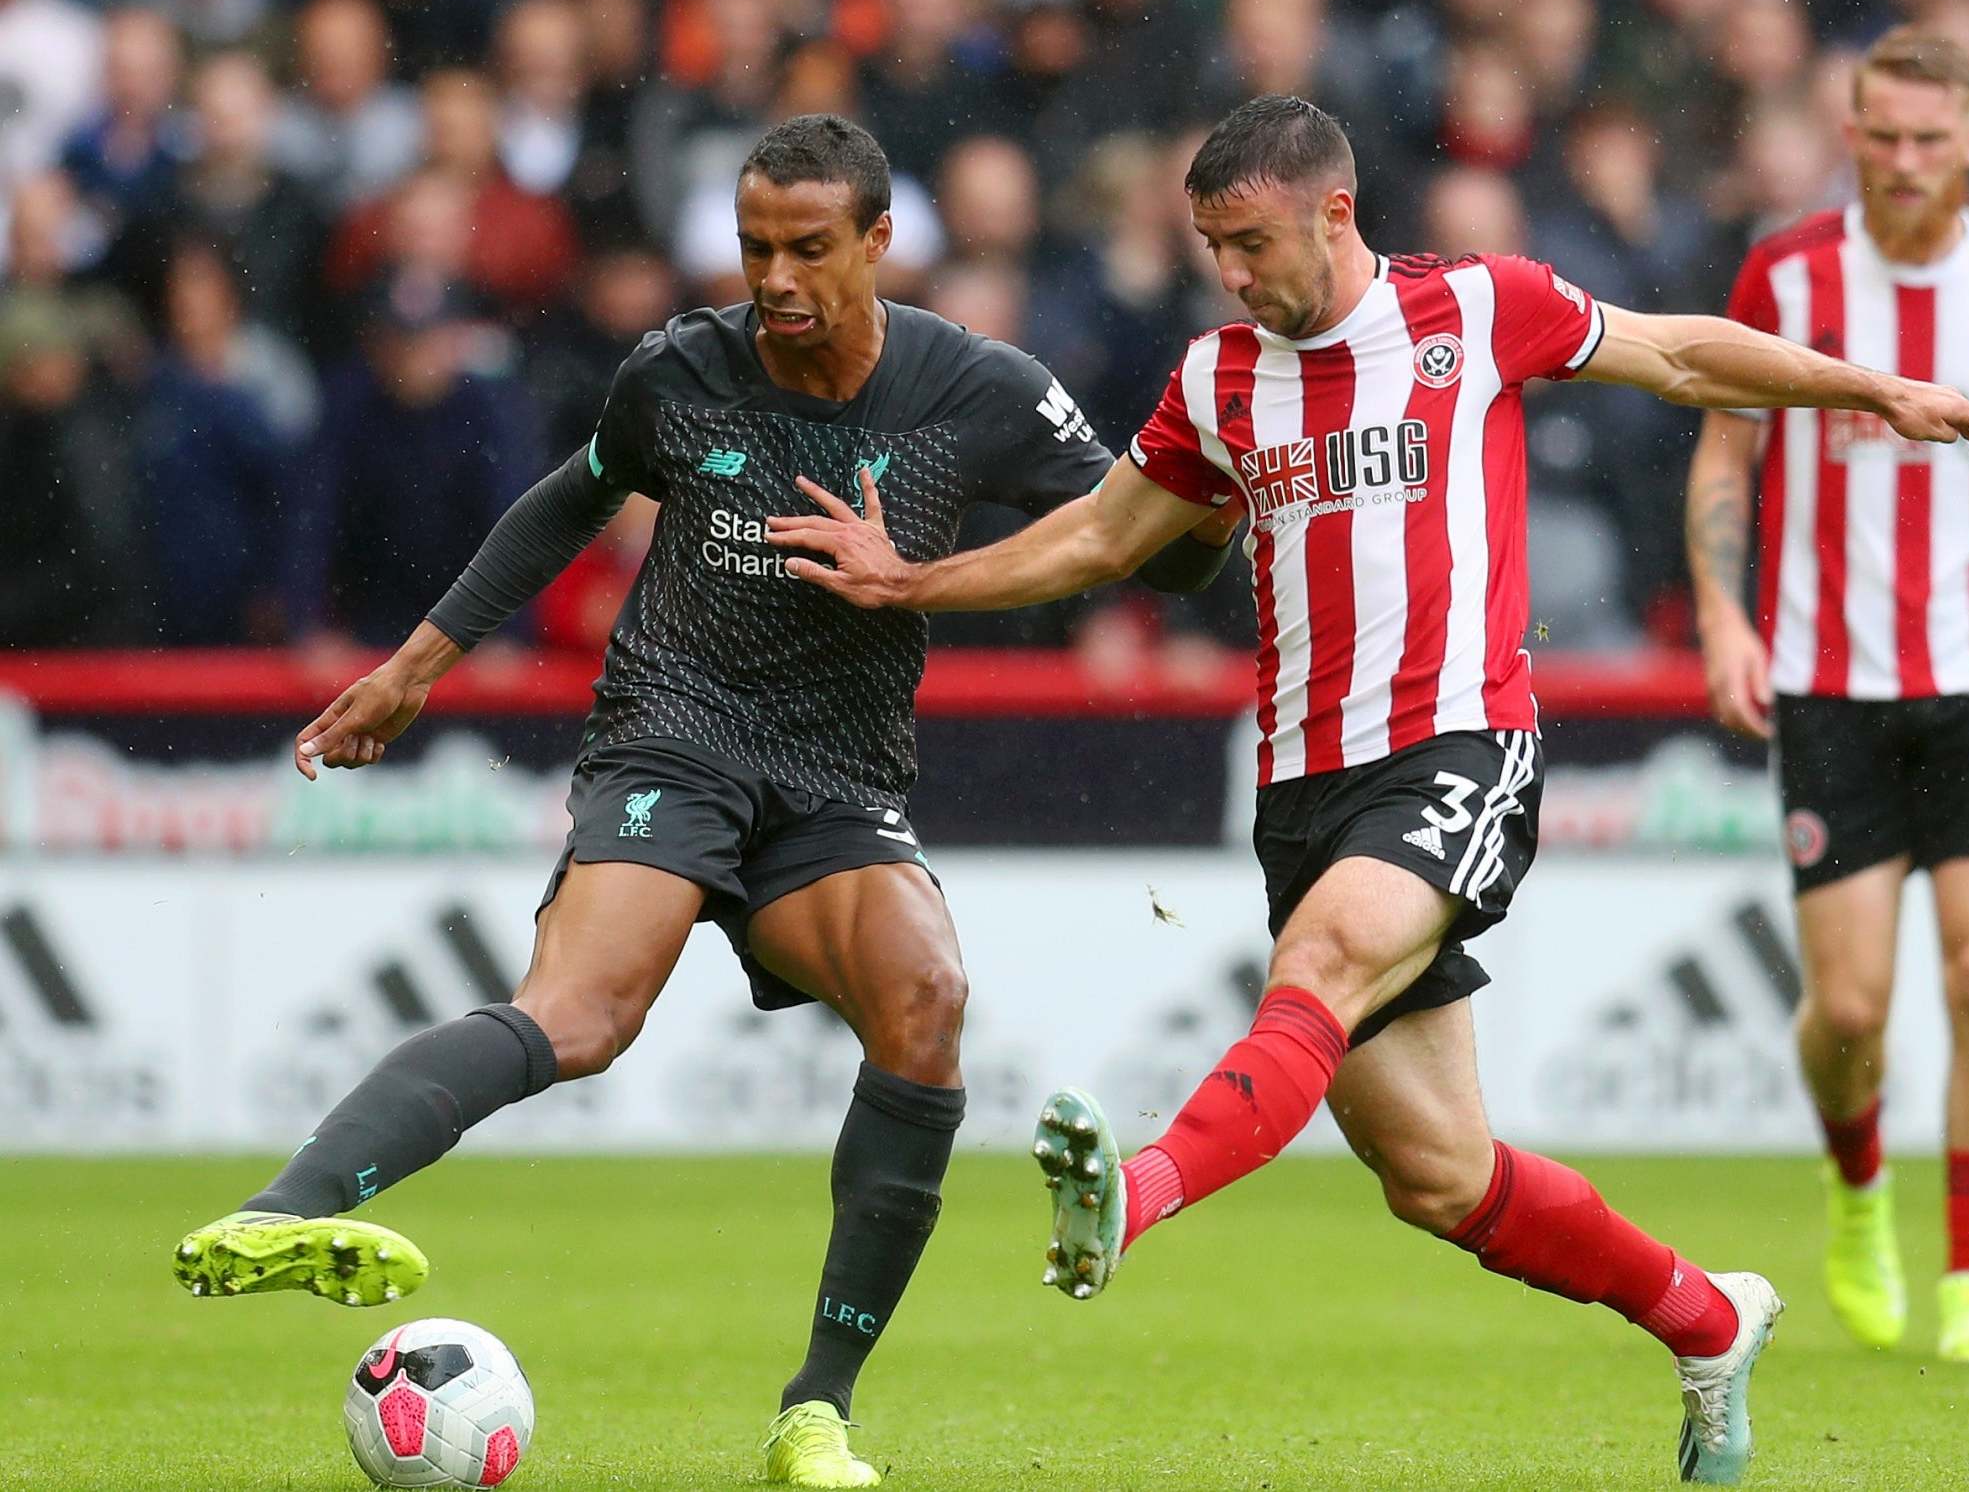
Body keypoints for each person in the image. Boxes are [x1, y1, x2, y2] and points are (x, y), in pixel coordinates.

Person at [767, 94, 1969, 1486]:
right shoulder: (1218, 379)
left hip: (1461, 748)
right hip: (1302, 790)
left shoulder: (1478, 310)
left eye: (1248, 241)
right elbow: (1103, 538)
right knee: (1438, 1176)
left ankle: (1140, 1197)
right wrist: (913, 582)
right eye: (1208, 247)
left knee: (1326, 957)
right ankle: (1707, 1319)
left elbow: (1677, 354)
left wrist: (1868, 388)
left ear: (1333, 213)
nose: (1230, 273)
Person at [168, 113, 1230, 1491]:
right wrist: (413, 668)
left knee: (925, 1003)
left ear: (876, 242)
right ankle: (278, 1214)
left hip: (839, 777)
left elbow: (1153, 558)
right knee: (584, 1015)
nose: (773, 277)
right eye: (752, 247)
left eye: (805, 248)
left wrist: (1208, 510)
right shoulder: (680, 371)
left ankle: (816, 1416)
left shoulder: (976, 389)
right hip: (673, 737)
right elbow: (564, 502)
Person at [1687, 27, 1969, 1368]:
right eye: (1879, 136)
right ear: (1849, 134)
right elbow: (1724, 455)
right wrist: (1724, 612)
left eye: (1927, 139)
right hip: (1824, 680)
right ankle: (1855, 1196)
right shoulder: (1787, 273)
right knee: (1844, 1011)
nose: (1902, 162)